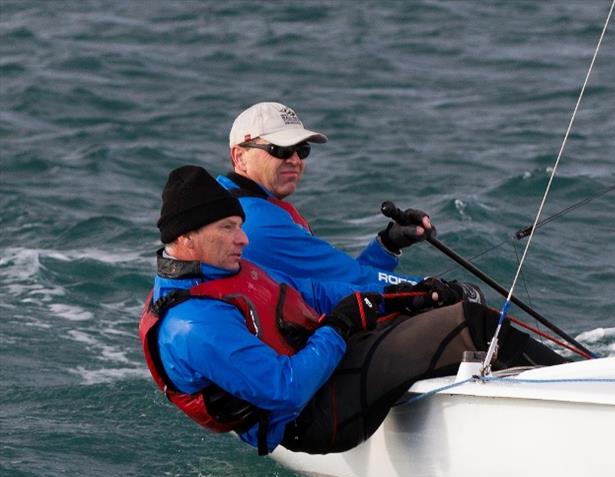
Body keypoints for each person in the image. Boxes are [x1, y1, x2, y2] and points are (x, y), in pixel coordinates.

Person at [139, 166, 567, 456]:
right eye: (229, 229)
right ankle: (572, 391)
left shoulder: (222, 269)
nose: (244, 240)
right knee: (468, 325)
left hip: (324, 370)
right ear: (188, 238)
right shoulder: (194, 326)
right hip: (312, 416)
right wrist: (340, 326)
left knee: (430, 314)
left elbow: (308, 292)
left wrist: (404, 299)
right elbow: (284, 390)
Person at [216, 101, 432, 288]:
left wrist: (388, 244)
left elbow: (340, 279)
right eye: (279, 150)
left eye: (302, 150)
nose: (295, 160)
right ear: (240, 157)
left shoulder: (227, 200)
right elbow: (355, 282)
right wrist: (436, 287)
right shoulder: (260, 221)